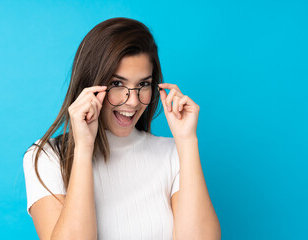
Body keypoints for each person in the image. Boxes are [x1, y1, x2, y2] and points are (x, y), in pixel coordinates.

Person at [23, 17, 221, 240]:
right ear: (91, 83)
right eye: (117, 84)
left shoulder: (172, 153)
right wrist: (83, 149)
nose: (133, 102)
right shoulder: (47, 157)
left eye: (143, 84)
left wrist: (187, 141)